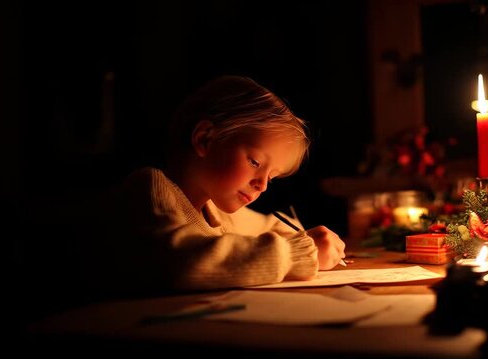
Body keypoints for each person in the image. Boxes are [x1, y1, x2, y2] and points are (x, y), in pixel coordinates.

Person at [89, 75, 345, 296]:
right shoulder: (150, 187)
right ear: (205, 139)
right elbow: (185, 264)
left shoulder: (216, 209)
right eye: (255, 162)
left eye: (272, 177)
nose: (262, 185)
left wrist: (311, 241)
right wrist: (298, 254)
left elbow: (272, 226)